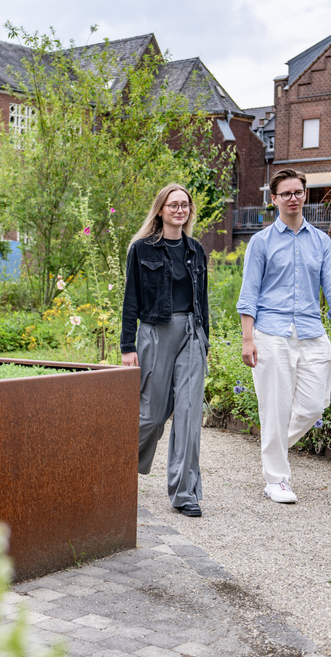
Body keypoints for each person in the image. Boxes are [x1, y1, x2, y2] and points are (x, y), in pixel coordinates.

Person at [236, 168, 331, 503]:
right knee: (274, 407)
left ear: (306, 195)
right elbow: (249, 294)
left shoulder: (319, 241)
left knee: (314, 405)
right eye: (286, 193)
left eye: (298, 192)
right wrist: (248, 339)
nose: (293, 198)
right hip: (271, 332)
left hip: (310, 330)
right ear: (274, 199)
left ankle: (272, 449)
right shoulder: (261, 243)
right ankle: (276, 479)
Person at [121, 184, 210, 517]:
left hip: (191, 333)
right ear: (160, 210)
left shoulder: (196, 250)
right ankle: (115, 468)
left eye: (184, 205)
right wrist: (127, 345)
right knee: (152, 416)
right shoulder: (141, 249)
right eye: (173, 205)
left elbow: (201, 298)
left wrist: (205, 340)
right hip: (154, 333)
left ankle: (185, 493)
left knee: (188, 414)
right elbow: (131, 300)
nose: (179, 210)